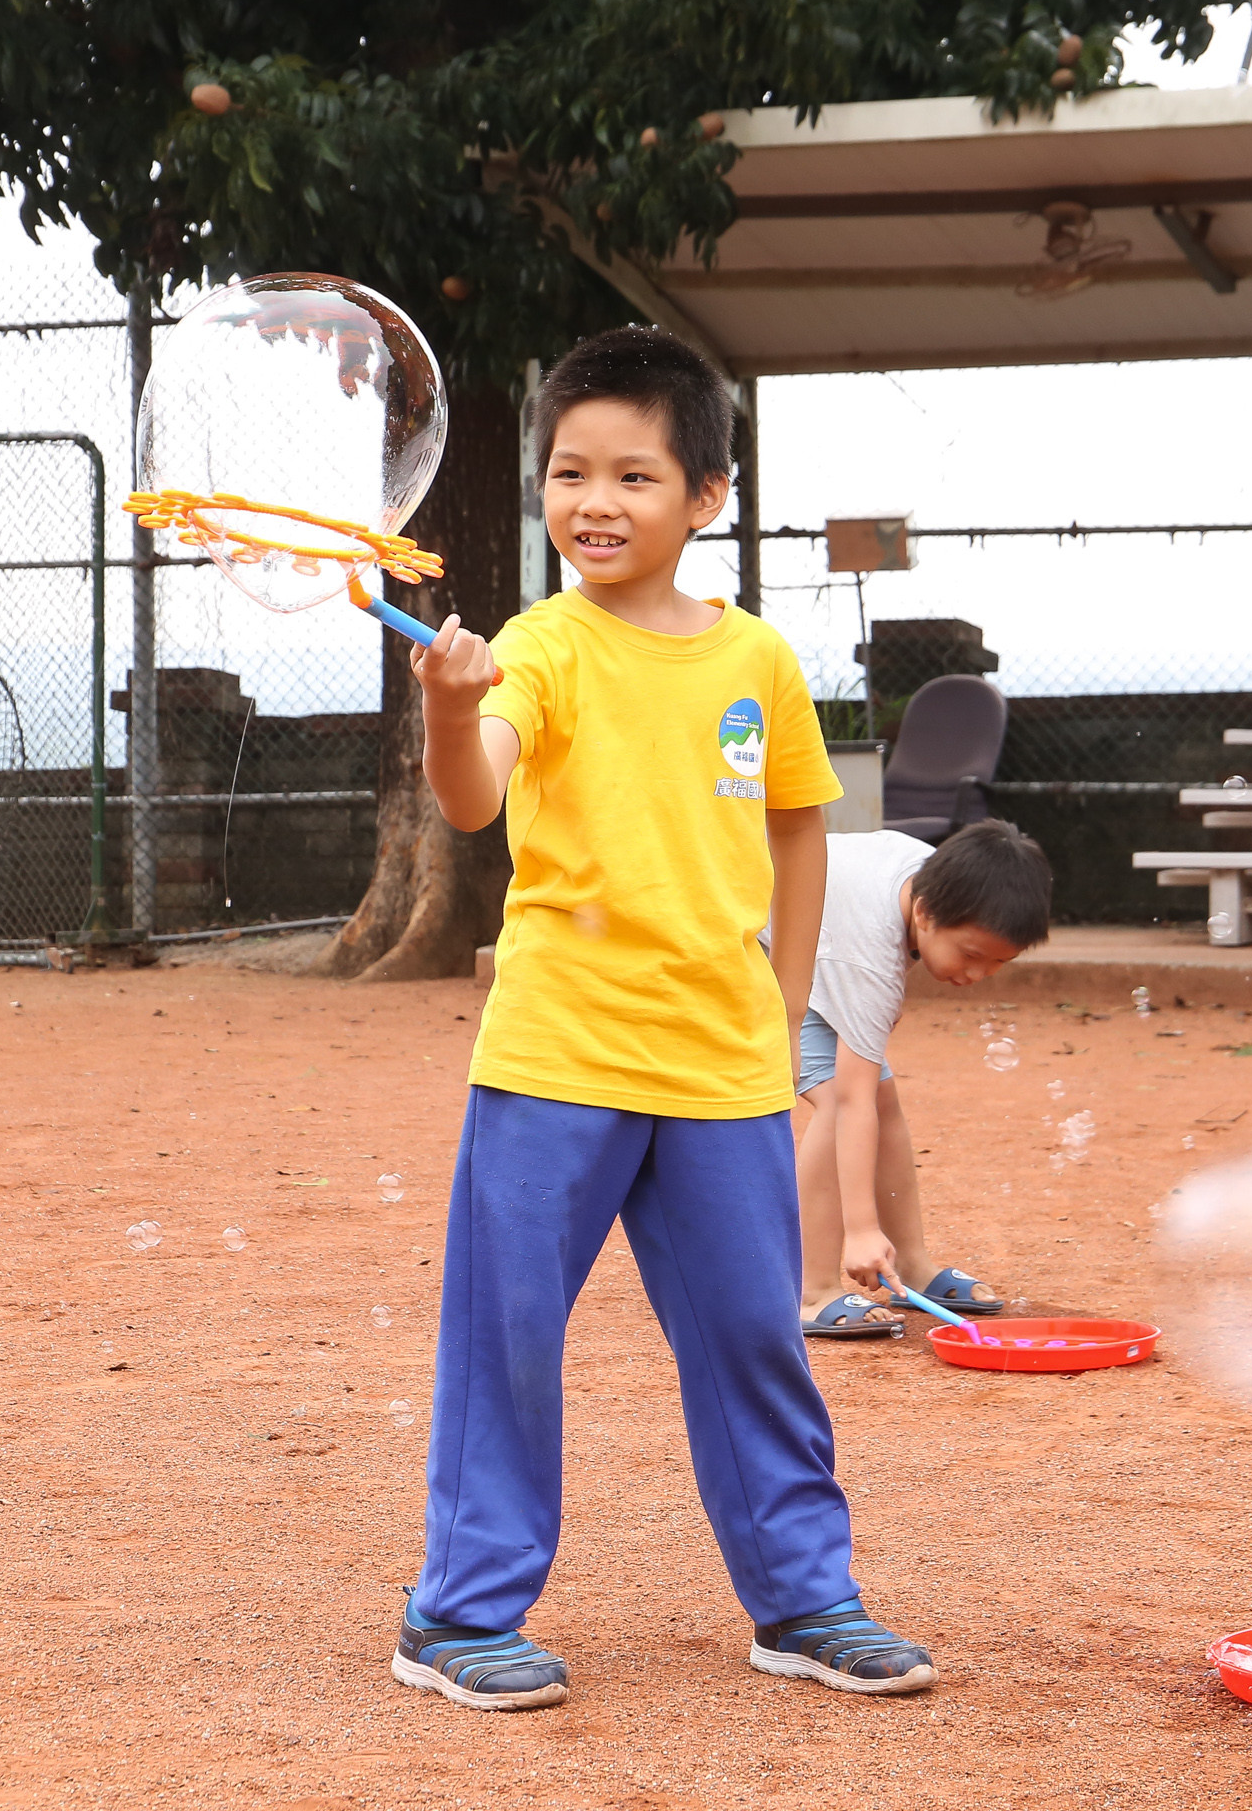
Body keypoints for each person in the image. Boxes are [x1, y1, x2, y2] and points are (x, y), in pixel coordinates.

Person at [385, 326, 935, 1712]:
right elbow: (473, 798)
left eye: (635, 473)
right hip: (559, 1051)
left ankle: (806, 1600)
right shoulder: (537, 646)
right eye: (570, 472)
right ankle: (456, 1616)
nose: (595, 501)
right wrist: (452, 715)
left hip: (721, 1065)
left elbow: (802, 830)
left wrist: (785, 1002)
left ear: (707, 496)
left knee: (756, 1335)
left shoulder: (756, 660)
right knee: (508, 1335)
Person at [792, 820, 1054, 1337]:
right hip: (747, 952)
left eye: (1000, 963)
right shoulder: (869, 958)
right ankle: (810, 1288)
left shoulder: (940, 879)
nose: (979, 975)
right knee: (841, 1104)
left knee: (879, 1102)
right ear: (926, 914)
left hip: (814, 948)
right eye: (973, 955)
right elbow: (851, 1098)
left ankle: (910, 1267)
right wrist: (861, 1230)